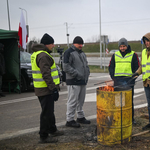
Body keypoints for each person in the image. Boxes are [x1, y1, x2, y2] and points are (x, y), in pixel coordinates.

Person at [31, 33, 64, 143]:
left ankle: (52, 129)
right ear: (46, 44)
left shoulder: (38, 54)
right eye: (52, 43)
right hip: (45, 89)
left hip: (43, 88)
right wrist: (53, 88)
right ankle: (44, 135)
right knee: (46, 112)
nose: (53, 46)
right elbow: (46, 74)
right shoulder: (43, 56)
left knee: (50, 111)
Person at [109, 38, 140, 125]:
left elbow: (137, 67)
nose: (122, 48)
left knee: (129, 101)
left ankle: (131, 118)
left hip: (129, 81)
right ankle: (119, 118)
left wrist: (133, 78)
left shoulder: (133, 54)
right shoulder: (115, 55)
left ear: (127, 46)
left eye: (124, 46)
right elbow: (111, 66)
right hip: (118, 81)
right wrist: (113, 77)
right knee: (118, 101)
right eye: (121, 46)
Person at [63, 36, 90, 128]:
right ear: (74, 43)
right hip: (74, 81)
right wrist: (77, 74)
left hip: (82, 81)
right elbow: (66, 67)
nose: (81, 45)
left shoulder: (82, 53)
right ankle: (69, 119)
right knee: (72, 101)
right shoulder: (68, 52)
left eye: (82, 44)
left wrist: (87, 73)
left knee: (80, 101)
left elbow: (85, 65)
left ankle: (80, 116)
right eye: (79, 44)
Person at [132, 32, 150, 130]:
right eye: (145, 41)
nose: (146, 43)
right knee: (149, 104)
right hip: (146, 83)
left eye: (148, 41)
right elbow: (142, 67)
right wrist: (137, 73)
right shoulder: (143, 52)